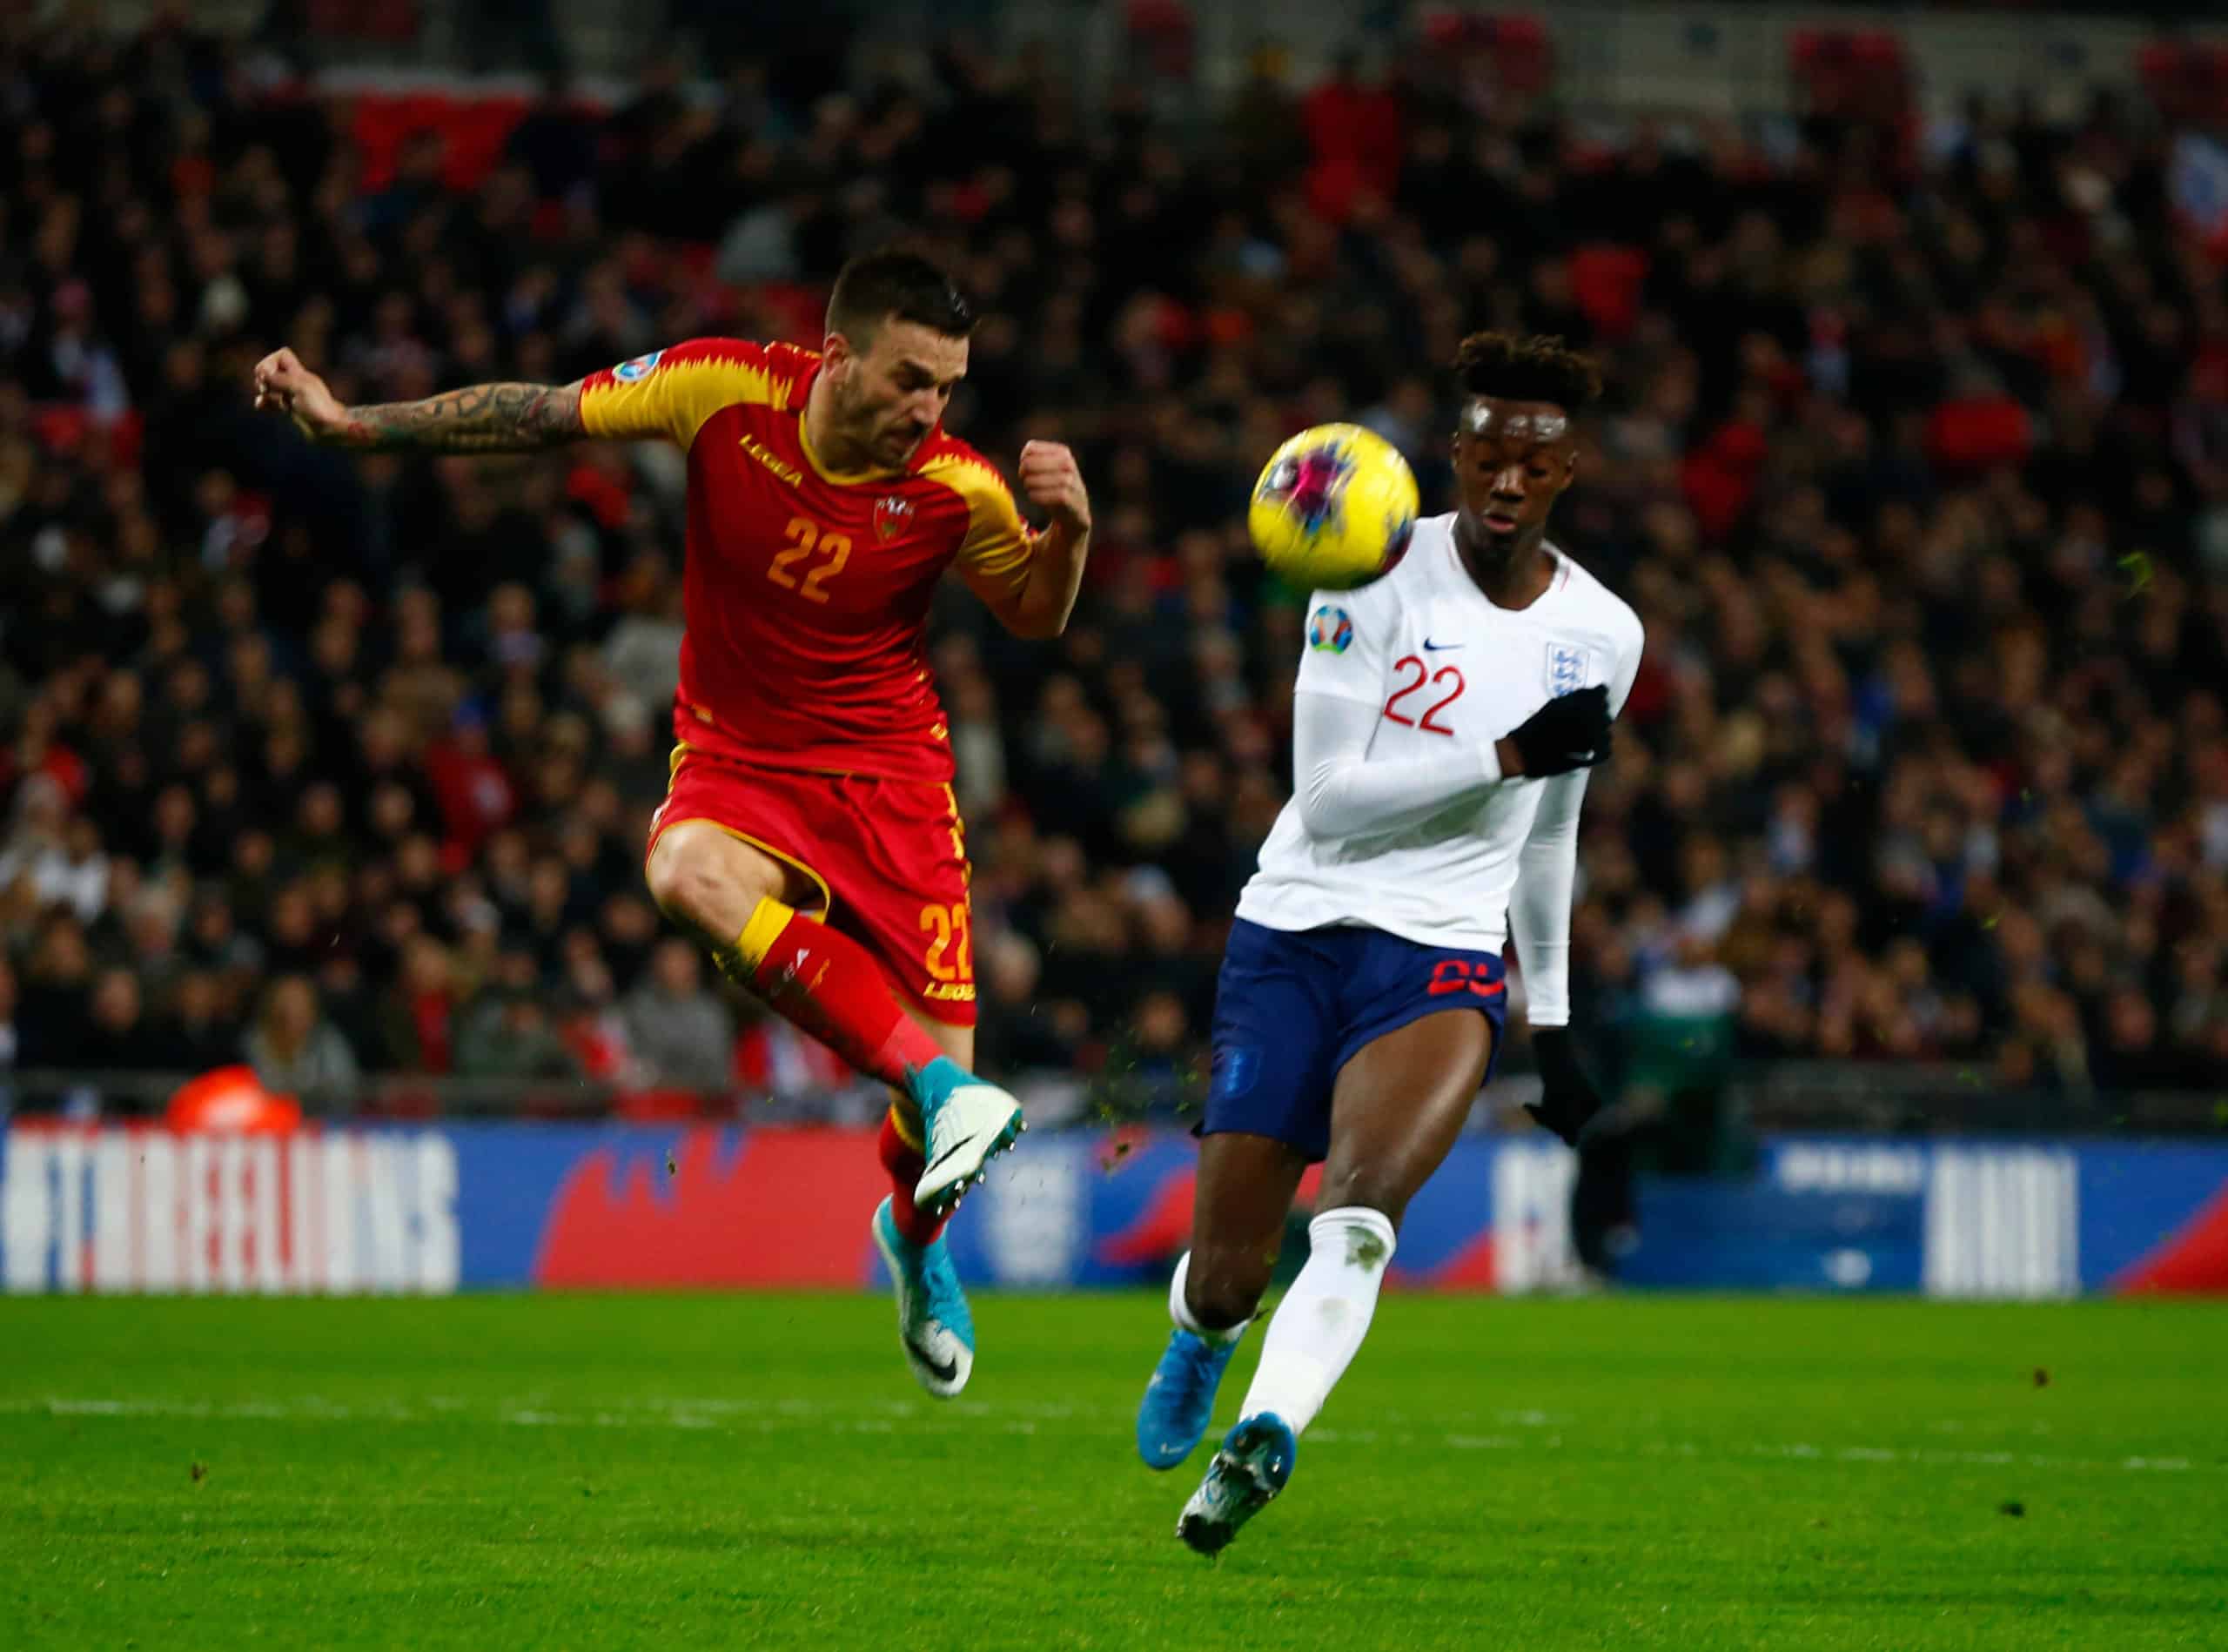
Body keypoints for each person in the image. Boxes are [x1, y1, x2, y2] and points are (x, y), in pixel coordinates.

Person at [254, 249, 1094, 1397]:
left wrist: (1074, 537)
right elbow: (539, 416)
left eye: (945, 387)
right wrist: (351, 425)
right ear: (836, 353)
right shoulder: (723, 391)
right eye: (908, 379)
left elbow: (1037, 616)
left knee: (936, 1138)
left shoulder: (958, 488)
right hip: (740, 760)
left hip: (890, 779)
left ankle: (915, 1235)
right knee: (680, 869)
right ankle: (946, 1097)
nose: (927, 410)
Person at [1133, 333, 1642, 1554]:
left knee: (1359, 1215)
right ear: (1455, 456)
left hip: (1443, 952)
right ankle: (1204, 1338)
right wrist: (1506, 752)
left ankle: (1263, 1437)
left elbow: (1548, 834)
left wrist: (1554, 1017)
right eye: (1486, 452)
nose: (1507, 480)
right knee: (1227, 1273)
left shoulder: (1605, 635)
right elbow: (1325, 796)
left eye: (1536, 459)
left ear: (1570, 469)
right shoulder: (1363, 564)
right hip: (1298, 929)